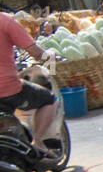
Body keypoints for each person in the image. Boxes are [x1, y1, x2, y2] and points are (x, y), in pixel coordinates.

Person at [0, 11, 59, 162]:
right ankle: (38, 141)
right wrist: (50, 59)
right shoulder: (6, 21)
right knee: (49, 99)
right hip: (8, 89)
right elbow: (35, 52)